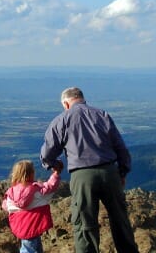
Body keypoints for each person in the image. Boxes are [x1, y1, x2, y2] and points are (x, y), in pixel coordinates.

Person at [40, 87, 139, 253]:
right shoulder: (102, 115)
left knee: (85, 224)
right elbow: (120, 147)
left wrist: (53, 165)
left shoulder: (61, 120)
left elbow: (48, 152)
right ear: (82, 99)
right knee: (120, 221)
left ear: (66, 103)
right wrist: (122, 171)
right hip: (109, 172)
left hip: (82, 175)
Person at [2, 159, 62, 253]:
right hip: (33, 227)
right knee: (28, 249)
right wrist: (56, 173)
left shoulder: (11, 193)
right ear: (31, 174)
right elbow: (50, 187)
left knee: (32, 248)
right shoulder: (36, 191)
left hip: (22, 228)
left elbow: (6, 206)